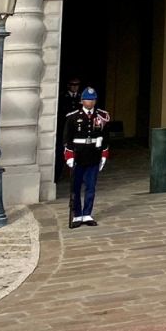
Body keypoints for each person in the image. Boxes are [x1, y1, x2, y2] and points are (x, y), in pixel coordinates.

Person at [62, 86, 110, 228]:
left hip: (93, 155)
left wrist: (104, 155)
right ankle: (77, 214)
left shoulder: (101, 116)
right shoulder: (73, 117)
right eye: (88, 100)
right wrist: (69, 156)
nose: (91, 102)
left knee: (90, 186)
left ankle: (87, 213)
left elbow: (105, 138)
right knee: (75, 187)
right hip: (78, 155)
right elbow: (67, 139)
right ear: (82, 101)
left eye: (93, 100)